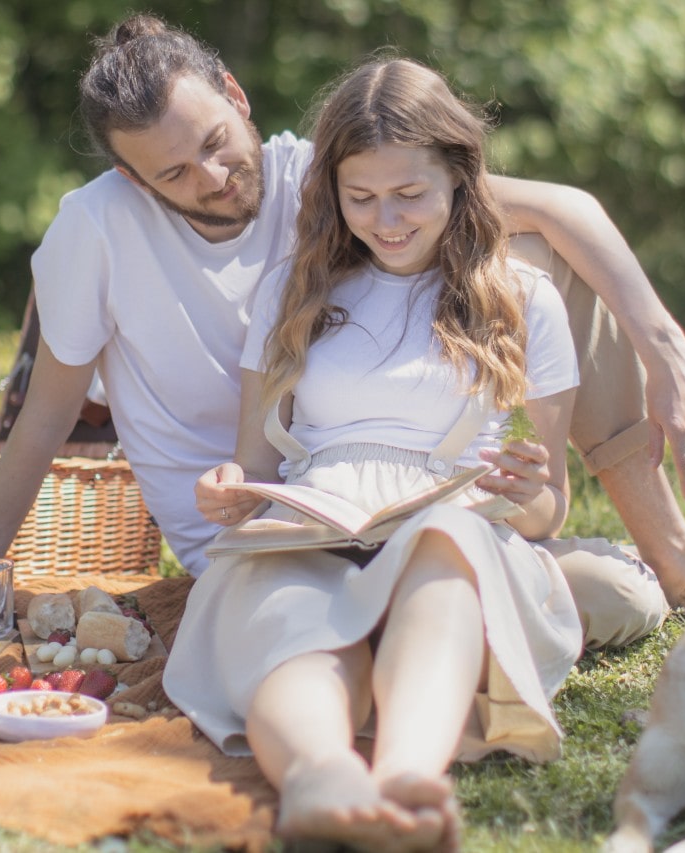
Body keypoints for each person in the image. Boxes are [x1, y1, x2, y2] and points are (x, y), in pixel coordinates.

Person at [0, 13, 685, 645]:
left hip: (400, 495)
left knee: (532, 251)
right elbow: (42, 423)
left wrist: (666, 351)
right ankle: (543, 584)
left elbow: (565, 208)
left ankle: (670, 559)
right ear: (132, 179)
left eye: (214, 143)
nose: (211, 178)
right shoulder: (93, 228)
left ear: (235, 97)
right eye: (172, 175)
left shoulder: (323, 177)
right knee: (478, 601)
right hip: (262, 529)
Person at [169, 56, 586, 850]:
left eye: (409, 195)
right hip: (315, 522)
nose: (386, 220)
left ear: (461, 178)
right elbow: (253, 469)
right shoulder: (296, 286)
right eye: (360, 198)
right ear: (332, 191)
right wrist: (230, 489)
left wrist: (526, 486)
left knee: (449, 545)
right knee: (291, 609)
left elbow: (547, 507)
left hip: (453, 526)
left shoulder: (523, 296)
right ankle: (323, 778)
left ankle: (405, 782)